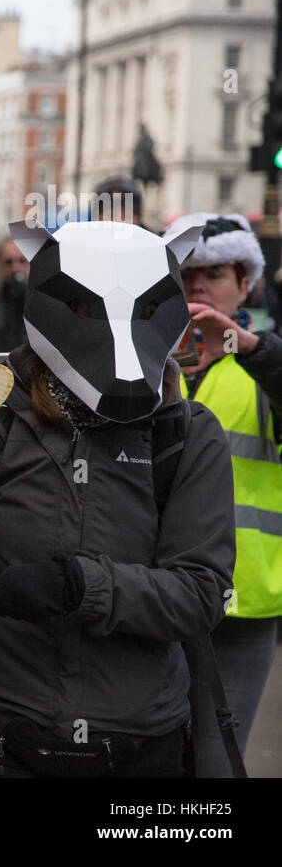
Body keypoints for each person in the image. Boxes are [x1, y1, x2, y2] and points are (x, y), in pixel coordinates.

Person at [0, 218, 236, 778]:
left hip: (137, 741)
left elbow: (201, 594)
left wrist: (83, 585)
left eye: (145, 310)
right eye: (85, 309)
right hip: (0, 730)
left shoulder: (188, 435)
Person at [165, 212, 282, 776]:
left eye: (213, 273)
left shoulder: (263, 362)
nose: (197, 286)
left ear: (246, 281)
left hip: (243, 602)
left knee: (213, 768)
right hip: (156, 596)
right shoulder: (150, 359)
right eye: (187, 274)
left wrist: (247, 346)